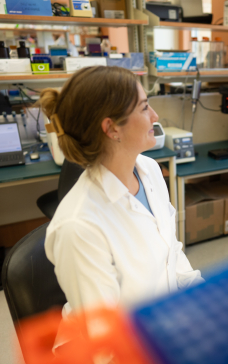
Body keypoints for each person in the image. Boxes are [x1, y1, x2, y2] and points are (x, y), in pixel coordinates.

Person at [41, 66, 204, 335]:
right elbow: (103, 336)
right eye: (143, 108)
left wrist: (205, 298)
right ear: (112, 128)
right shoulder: (79, 226)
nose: (155, 116)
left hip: (163, 321)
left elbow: (171, 254)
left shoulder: (149, 169)